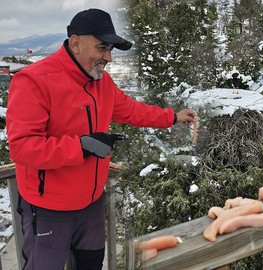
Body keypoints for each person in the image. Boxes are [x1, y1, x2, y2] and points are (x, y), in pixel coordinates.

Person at [6, 8, 195, 270]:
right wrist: (81, 146)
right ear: (76, 43)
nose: (108, 57)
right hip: (49, 209)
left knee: (91, 264)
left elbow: (130, 110)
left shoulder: (101, 82)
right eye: (102, 48)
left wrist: (172, 117)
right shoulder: (34, 81)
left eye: (111, 50)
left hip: (92, 204)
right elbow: (22, 148)